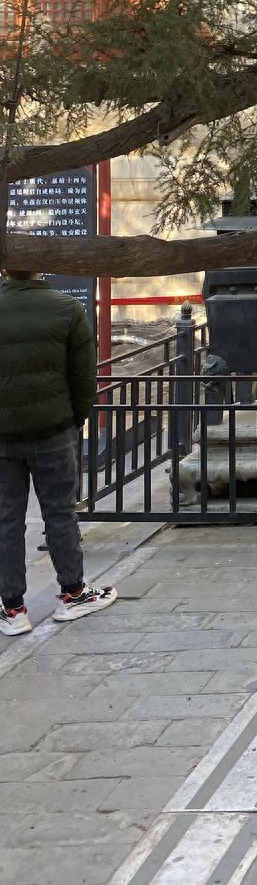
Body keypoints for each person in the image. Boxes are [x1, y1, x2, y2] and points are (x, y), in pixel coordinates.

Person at [0, 269, 115, 635]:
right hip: (53, 430)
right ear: (41, 268)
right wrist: (75, 419)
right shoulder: (66, 308)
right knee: (60, 513)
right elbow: (83, 376)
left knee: (6, 520)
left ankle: (12, 607)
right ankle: (73, 593)